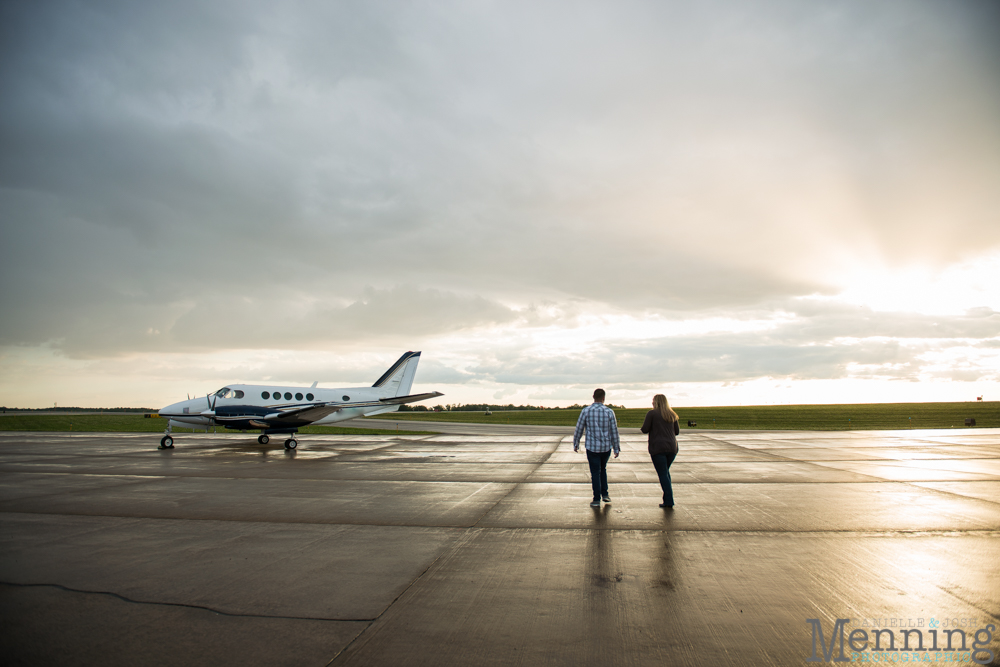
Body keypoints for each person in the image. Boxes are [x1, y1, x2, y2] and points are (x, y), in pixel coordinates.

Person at [573, 388, 621, 507]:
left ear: (593, 397)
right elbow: (614, 431)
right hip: (605, 447)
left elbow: (579, 428)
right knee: (603, 469)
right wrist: (616, 448)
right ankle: (605, 494)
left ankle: (596, 499)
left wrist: (576, 443)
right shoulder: (609, 412)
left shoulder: (586, 411)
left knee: (595, 472)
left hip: (592, 447)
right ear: (603, 398)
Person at [641, 394, 680, 508]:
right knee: (665, 473)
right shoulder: (672, 414)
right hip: (672, 448)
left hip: (658, 447)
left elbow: (645, 429)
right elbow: (676, 432)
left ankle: (669, 500)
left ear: (656, 402)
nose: (652, 403)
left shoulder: (652, 413)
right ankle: (667, 498)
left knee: (662, 474)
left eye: (653, 401)